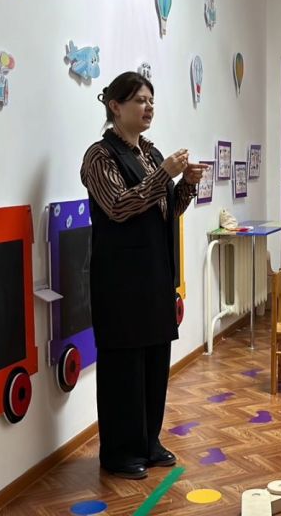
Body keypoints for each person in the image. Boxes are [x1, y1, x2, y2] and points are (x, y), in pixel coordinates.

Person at [80, 71, 207, 480]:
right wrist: (165, 174)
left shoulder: (151, 153)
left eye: (151, 100)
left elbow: (165, 210)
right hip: (120, 281)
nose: (148, 107)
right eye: (139, 100)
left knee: (154, 364)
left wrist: (185, 185)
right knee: (123, 369)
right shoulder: (99, 156)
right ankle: (120, 452)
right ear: (115, 107)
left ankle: (149, 442)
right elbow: (119, 207)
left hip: (155, 276)